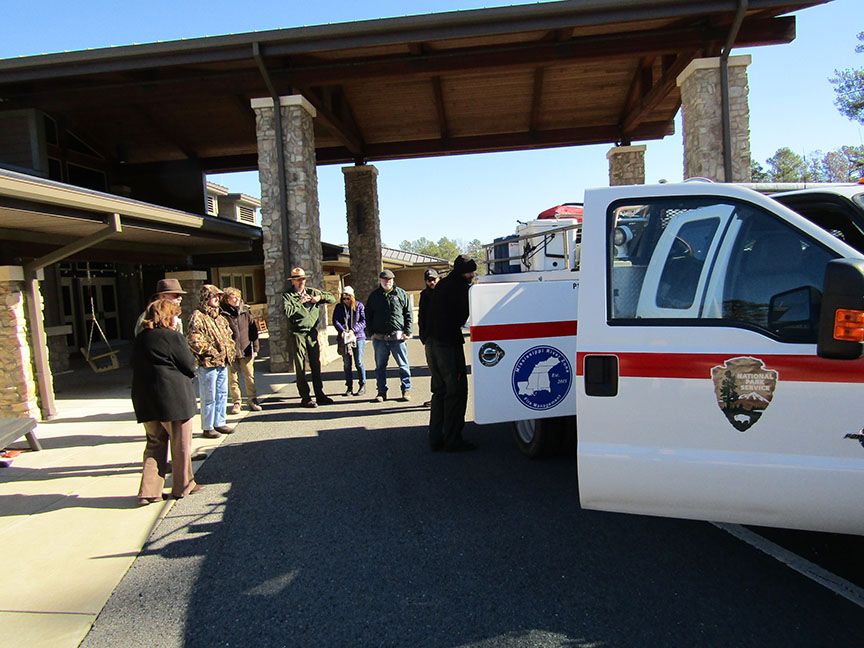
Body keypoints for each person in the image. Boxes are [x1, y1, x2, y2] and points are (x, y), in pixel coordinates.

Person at [132, 299, 202, 504]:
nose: (176, 319)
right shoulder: (172, 337)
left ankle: (149, 491)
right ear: (168, 316)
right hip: (173, 398)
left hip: (146, 398)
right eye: (175, 315)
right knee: (180, 444)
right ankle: (183, 486)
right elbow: (189, 365)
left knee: (154, 443)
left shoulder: (141, 338)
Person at [427, 254, 477, 452]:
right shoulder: (462, 289)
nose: (472, 275)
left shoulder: (442, 284)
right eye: (470, 271)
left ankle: (435, 437)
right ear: (462, 272)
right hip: (448, 345)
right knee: (455, 392)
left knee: (439, 391)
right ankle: (453, 439)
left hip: (432, 343)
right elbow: (462, 317)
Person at [282, 267, 336, 408]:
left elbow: (332, 298)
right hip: (298, 332)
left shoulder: (312, 292)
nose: (301, 282)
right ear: (293, 281)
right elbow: (287, 311)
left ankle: (319, 393)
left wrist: (319, 298)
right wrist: (300, 302)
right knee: (300, 365)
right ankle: (305, 397)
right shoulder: (288, 295)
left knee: (315, 364)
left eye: (303, 279)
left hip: (312, 332)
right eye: (298, 279)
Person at [187, 284, 236, 438]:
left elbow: (229, 336)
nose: (216, 299)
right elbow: (194, 340)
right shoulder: (198, 316)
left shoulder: (220, 317)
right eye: (214, 296)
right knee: (209, 396)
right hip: (208, 364)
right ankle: (208, 426)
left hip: (222, 363)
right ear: (206, 298)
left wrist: (230, 351)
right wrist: (211, 352)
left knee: (222, 393)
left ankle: (219, 422)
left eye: (218, 297)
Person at [365, 269, 413, 402]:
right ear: (380, 280)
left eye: (390, 279)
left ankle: (406, 390)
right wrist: (370, 332)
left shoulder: (401, 294)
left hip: (397, 338)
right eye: (385, 280)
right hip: (379, 338)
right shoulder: (374, 296)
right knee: (380, 367)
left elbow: (408, 314)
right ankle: (381, 392)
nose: (388, 282)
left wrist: (408, 332)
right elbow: (367, 315)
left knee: (403, 365)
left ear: (393, 280)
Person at [220, 287, 261, 414]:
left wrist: (255, 347)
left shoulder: (245, 311)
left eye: (238, 296)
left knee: (249, 376)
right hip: (230, 352)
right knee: (232, 379)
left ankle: (252, 400)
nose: (237, 299)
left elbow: (253, 331)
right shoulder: (222, 314)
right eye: (234, 297)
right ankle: (236, 402)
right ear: (227, 299)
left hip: (246, 349)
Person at [332, 285, 367, 396]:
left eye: (348, 298)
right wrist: (342, 330)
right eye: (344, 298)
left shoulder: (359, 306)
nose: (346, 301)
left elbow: (363, 321)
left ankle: (362, 385)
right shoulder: (339, 307)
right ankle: (349, 387)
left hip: (358, 337)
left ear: (352, 297)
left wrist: (353, 330)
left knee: (359, 362)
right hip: (345, 338)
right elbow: (335, 320)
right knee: (347, 363)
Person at [418, 268, 439, 407]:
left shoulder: (445, 293)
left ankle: (447, 399)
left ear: (438, 278)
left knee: (447, 371)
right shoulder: (424, 295)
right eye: (428, 280)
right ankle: (436, 398)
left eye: (433, 279)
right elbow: (421, 317)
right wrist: (423, 336)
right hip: (430, 339)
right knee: (434, 370)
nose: (431, 282)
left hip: (445, 339)